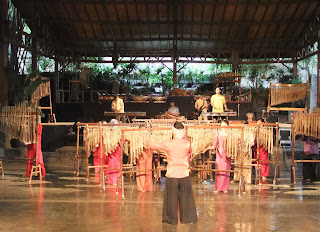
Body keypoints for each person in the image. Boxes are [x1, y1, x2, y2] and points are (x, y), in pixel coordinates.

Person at [146, 122, 197, 225]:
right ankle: (188, 218)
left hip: (172, 174)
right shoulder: (187, 143)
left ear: (173, 131)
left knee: (171, 199)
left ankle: (171, 219)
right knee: (186, 198)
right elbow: (191, 150)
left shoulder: (168, 143)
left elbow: (153, 145)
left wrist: (145, 137)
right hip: (184, 174)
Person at [208, 120, 231, 193]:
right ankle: (218, 188)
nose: (223, 127)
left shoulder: (230, 134)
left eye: (225, 125)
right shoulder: (218, 133)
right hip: (219, 153)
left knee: (226, 171)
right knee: (219, 170)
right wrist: (209, 147)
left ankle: (225, 188)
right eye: (222, 125)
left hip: (227, 153)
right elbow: (215, 145)